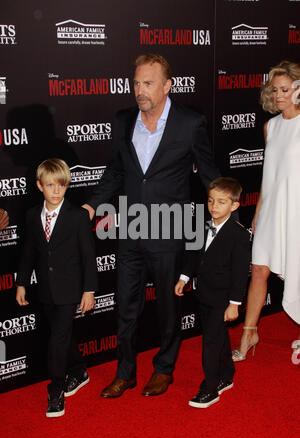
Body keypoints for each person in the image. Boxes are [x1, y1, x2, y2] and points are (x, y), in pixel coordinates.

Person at [83, 53, 220, 398]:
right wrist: (90, 206)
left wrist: (224, 214)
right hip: (130, 228)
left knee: (167, 308)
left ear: (167, 85)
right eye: (136, 83)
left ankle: (164, 368)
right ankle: (125, 372)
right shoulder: (123, 120)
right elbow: (115, 171)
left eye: (148, 83)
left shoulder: (190, 123)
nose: (139, 91)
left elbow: (208, 174)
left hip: (170, 230)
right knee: (125, 308)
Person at [16, 158, 98, 417]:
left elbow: (88, 256)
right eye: (50, 185)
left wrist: (89, 290)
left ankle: (56, 388)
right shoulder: (31, 216)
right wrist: (21, 282)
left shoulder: (77, 216)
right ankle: (79, 369)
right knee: (61, 334)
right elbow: (28, 252)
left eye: (61, 185)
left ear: (67, 186)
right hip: (45, 289)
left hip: (70, 288)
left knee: (58, 337)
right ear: (40, 185)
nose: (55, 191)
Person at [232, 60, 300, 362]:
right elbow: (268, 173)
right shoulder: (270, 126)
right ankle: (249, 331)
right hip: (272, 206)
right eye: (276, 90)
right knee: (259, 268)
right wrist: (259, 210)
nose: (280, 95)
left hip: (296, 207)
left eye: (286, 89)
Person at [175, 177, 250, 408]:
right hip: (204, 294)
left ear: (234, 205)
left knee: (210, 342)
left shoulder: (239, 235)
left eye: (221, 202)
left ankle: (210, 388)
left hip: (224, 299)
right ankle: (227, 374)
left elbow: (240, 273)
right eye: (210, 201)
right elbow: (194, 255)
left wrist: (234, 303)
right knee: (217, 336)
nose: (214, 206)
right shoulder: (203, 226)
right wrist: (184, 277)